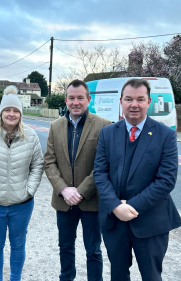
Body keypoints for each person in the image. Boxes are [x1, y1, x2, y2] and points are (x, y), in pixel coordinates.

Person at [94, 78, 181, 281]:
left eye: (140, 99)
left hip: (151, 221)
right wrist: (116, 206)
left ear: (148, 101)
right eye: (129, 99)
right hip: (114, 221)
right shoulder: (107, 134)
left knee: (151, 276)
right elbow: (99, 173)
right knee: (118, 275)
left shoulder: (165, 135)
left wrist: (129, 206)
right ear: (121, 101)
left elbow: (166, 180)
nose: (134, 104)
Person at [0, 85, 44, 281]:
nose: (11, 114)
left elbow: (38, 165)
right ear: (1, 112)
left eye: (15, 111)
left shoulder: (31, 136)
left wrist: (29, 190)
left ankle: (15, 278)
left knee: (18, 245)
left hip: (21, 204)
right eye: (7, 110)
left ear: (20, 113)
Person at [44, 79, 111, 281]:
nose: (76, 102)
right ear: (66, 100)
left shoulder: (103, 126)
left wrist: (80, 191)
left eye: (80, 98)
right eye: (71, 98)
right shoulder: (55, 126)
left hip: (91, 201)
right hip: (64, 201)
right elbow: (49, 162)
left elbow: (102, 165)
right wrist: (64, 189)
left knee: (93, 250)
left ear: (88, 99)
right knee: (65, 247)